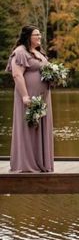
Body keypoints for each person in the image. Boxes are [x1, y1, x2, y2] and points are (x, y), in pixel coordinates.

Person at [5, 26, 54, 172]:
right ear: (28, 36)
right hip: (29, 95)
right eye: (36, 35)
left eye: (40, 34)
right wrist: (25, 96)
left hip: (43, 97)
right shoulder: (20, 52)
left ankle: (41, 162)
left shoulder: (37, 52)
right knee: (29, 126)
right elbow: (17, 75)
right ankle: (26, 163)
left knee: (40, 126)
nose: (39, 37)